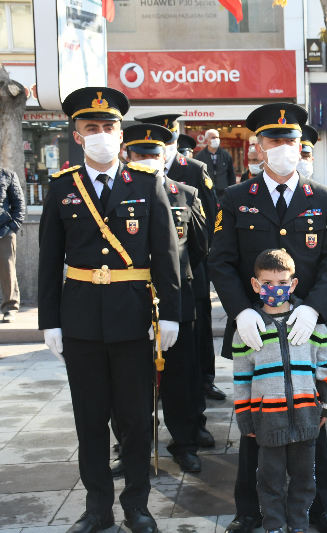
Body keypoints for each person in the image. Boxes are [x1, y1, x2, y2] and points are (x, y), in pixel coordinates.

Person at [39, 87, 181, 533]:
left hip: (133, 318)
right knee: (90, 422)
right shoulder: (62, 188)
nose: (101, 134)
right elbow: (48, 259)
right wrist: (50, 321)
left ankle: (137, 505)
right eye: (91, 128)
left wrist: (172, 313)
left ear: (120, 134)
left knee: (137, 421)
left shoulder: (146, 183)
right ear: (77, 136)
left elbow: (166, 255)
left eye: (108, 127)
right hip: (80, 320)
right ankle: (97, 508)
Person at [209, 103, 327, 533]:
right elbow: (221, 261)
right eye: (275, 140)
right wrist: (241, 311)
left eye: (291, 141)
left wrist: (313, 306)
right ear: (259, 146)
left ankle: (319, 508)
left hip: (309, 327)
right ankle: (249, 511)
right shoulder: (234, 199)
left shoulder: (325, 198)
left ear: (300, 145)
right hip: (255, 327)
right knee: (254, 421)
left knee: (313, 423)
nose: (284, 147)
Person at [233, 248, 327, 533]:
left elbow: (326, 366)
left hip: (306, 418)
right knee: (269, 480)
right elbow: (241, 379)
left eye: (283, 283)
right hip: (268, 420)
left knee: (305, 480)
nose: (275, 289)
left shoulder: (312, 325)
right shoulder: (248, 330)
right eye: (268, 283)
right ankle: (275, 525)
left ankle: (299, 524)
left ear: (293, 284)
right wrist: (245, 417)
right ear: (256, 285)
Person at [122, 123, 209, 472]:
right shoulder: (115, 194)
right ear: (126, 156)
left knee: (180, 379)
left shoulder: (184, 193)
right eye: (139, 154)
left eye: (153, 154)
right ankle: (131, 446)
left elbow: (200, 247)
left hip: (178, 301)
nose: (147, 160)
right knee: (129, 381)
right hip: (129, 300)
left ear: (165, 156)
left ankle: (185, 443)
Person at [135, 113, 223, 405]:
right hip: (138, 286)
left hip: (188, 277)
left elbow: (205, 229)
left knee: (191, 351)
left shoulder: (193, 172)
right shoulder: (126, 185)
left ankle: (200, 392)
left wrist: (185, 267)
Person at [0, 167, 23, 322]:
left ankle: (10, 308)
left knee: (7, 270)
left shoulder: (7, 175)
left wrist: (13, 226)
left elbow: (19, 203)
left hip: (4, 230)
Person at [195, 128, 236, 195]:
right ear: (207, 141)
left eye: (217, 137)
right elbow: (196, 176)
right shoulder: (200, 156)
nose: (216, 140)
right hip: (207, 194)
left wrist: (231, 190)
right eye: (213, 138)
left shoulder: (225, 155)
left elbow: (231, 174)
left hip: (224, 194)